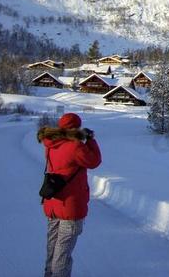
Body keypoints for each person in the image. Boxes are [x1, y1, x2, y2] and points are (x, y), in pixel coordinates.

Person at [37, 113, 102, 277]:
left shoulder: (50, 144)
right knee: (63, 254)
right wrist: (91, 140)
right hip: (70, 206)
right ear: (76, 127)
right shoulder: (75, 146)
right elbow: (94, 161)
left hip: (53, 203)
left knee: (52, 247)